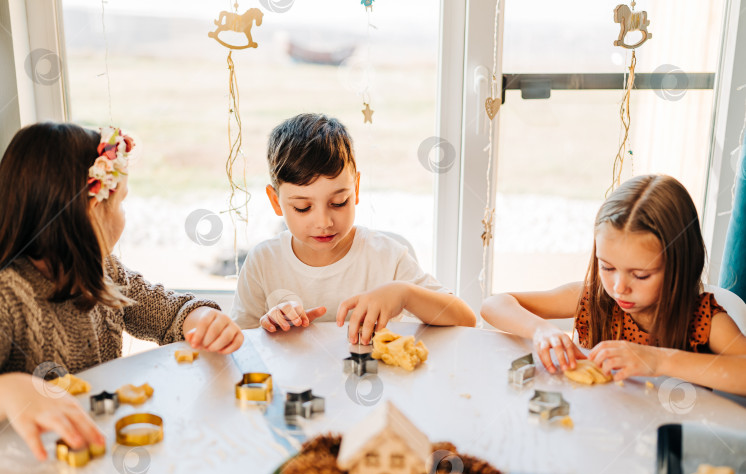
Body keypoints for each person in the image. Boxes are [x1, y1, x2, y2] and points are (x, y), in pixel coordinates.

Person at [0, 122, 243, 458]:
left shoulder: (103, 269)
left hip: (99, 450)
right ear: (90, 212)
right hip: (29, 470)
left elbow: (169, 312)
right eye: (121, 203)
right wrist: (13, 391)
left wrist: (202, 319)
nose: (123, 216)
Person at [480, 174, 746, 394]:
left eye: (640, 275)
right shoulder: (593, 299)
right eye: (607, 267)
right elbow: (494, 305)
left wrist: (658, 359)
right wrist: (541, 331)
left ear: (680, 266)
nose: (619, 287)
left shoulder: (703, 320)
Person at [231, 113, 476, 342]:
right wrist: (269, 329)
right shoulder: (263, 261)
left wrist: (404, 294)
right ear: (276, 201)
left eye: (339, 202)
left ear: (356, 189)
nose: (324, 222)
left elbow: (466, 319)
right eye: (303, 207)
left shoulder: (386, 256)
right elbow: (241, 343)